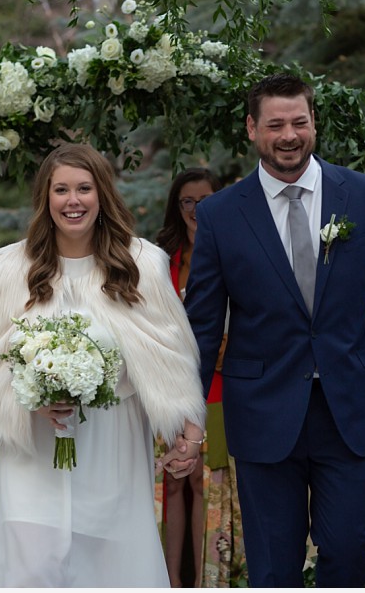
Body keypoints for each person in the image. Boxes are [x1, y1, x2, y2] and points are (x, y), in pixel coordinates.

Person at [177, 73, 365, 587]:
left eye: (299, 122)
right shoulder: (221, 214)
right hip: (261, 411)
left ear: (313, 122)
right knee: (273, 564)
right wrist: (188, 415)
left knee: (349, 547)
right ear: (252, 129)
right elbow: (203, 326)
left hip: (348, 407)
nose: (289, 135)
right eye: (275, 124)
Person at [0, 142, 207, 587]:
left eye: (84, 188)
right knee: (31, 563)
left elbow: (173, 355)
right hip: (34, 447)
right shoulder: (5, 270)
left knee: (108, 564)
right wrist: (29, 397)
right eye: (61, 189)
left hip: (112, 441)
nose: (73, 201)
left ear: (101, 194)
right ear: (45, 199)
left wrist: (190, 433)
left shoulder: (141, 264)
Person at [154, 168, 246, 587]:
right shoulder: (160, 260)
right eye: (187, 201)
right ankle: (170, 580)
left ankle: (202, 580)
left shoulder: (232, 249)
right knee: (172, 479)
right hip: (168, 384)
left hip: (216, 383)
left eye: (204, 200)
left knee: (203, 481)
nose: (195, 209)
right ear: (177, 207)